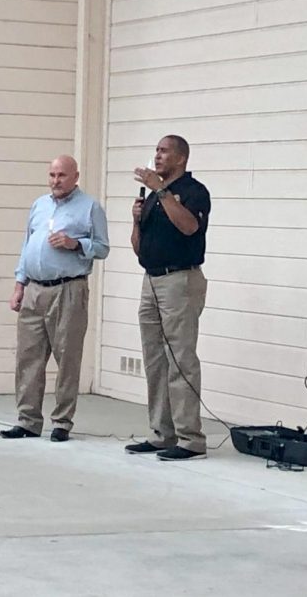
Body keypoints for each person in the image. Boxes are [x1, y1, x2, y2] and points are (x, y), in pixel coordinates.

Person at [0, 155, 109, 443]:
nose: (55, 181)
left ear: (76, 177)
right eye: (51, 175)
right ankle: (28, 420)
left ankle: (62, 422)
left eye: (61, 175)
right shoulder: (40, 205)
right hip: (35, 288)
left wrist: (76, 244)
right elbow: (27, 246)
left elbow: (102, 248)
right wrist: (19, 285)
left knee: (67, 357)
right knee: (28, 357)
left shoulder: (90, 207)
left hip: (68, 289)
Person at [126, 135, 211, 462]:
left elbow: (189, 227)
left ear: (181, 158)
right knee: (155, 358)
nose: (157, 157)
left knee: (180, 358)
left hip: (180, 279)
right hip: (151, 278)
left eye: (164, 151)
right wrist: (136, 221)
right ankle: (162, 433)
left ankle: (191, 439)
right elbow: (138, 246)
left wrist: (161, 192)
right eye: (156, 151)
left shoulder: (194, 192)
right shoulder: (151, 198)